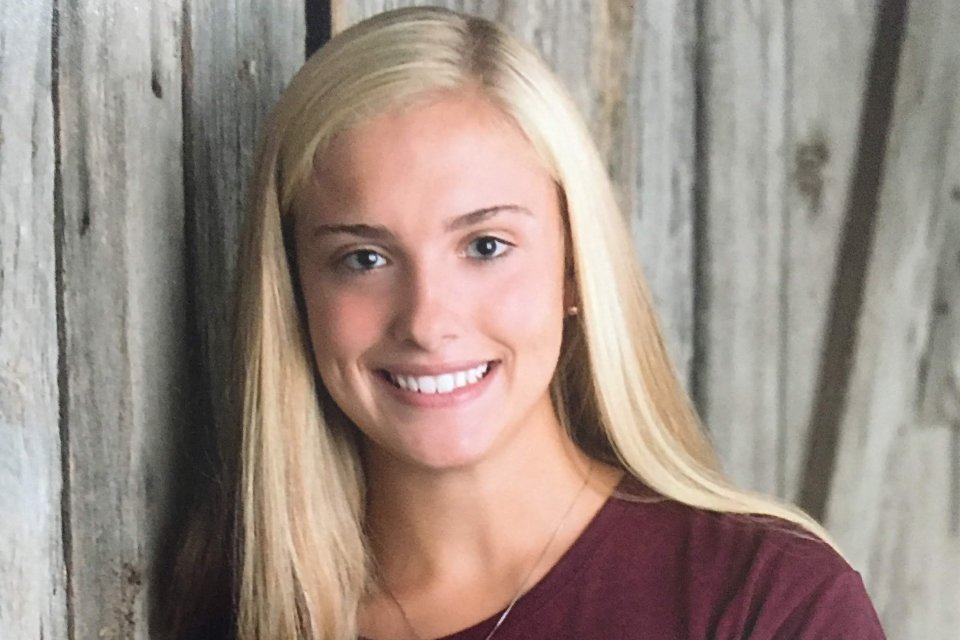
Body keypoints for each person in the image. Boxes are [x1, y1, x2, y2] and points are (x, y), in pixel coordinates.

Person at [167, 6, 885, 639]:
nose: (426, 320)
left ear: (573, 270)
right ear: (294, 290)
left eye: (486, 246)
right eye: (363, 258)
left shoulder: (768, 603)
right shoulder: (234, 609)